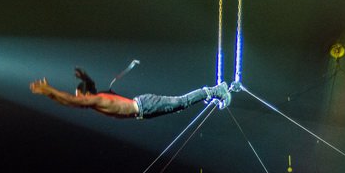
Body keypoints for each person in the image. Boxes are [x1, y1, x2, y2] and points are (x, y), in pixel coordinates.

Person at [29, 68, 231, 119]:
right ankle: (212, 93)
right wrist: (49, 94)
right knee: (179, 104)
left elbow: (70, 101)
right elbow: (72, 99)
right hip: (143, 107)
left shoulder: (96, 99)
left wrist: (49, 90)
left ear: (85, 95)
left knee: (181, 102)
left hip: (145, 106)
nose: (78, 99)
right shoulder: (96, 97)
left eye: (79, 95)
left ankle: (215, 91)